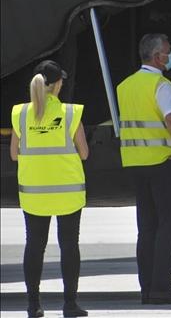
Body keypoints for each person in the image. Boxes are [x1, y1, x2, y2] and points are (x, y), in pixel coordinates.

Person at [117, 34, 171, 305]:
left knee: (146, 227)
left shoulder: (125, 86)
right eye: (168, 52)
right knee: (170, 223)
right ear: (157, 56)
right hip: (163, 161)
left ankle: (147, 287)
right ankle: (162, 286)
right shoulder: (161, 85)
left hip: (135, 162)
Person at [10, 60, 89, 317]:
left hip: (34, 193)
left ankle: (33, 306)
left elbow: (14, 154)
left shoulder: (20, 113)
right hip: (68, 193)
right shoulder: (70, 113)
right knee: (69, 245)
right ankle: (70, 305)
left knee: (34, 245)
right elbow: (85, 153)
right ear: (57, 85)